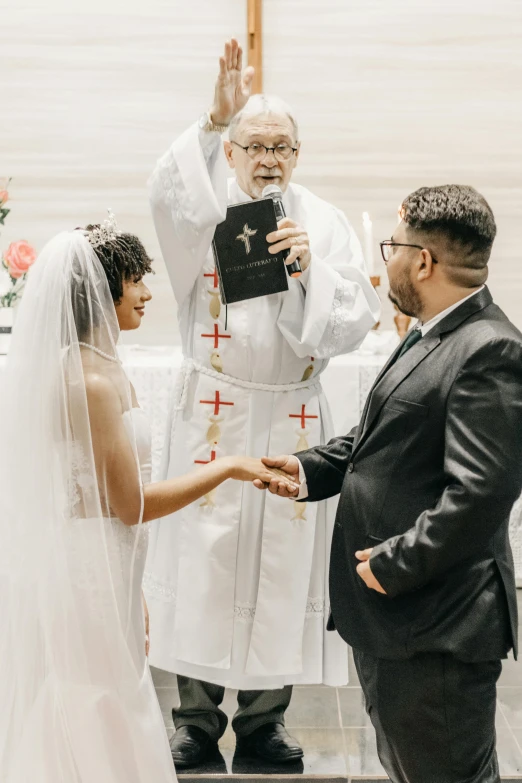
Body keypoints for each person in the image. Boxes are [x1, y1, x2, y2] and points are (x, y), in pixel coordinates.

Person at [144, 37, 380, 766]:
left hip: (290, 408)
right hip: (212, 411)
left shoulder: (324, 219)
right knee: (202, 559)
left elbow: (353, 318)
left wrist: (309, 270)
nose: (268, 157)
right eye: (254, 143)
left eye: (282, 145)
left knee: (283, 563)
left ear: (298, 154)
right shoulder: (207, 209)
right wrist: (211, 122)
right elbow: (167, 197)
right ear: (236, 150)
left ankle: (264, 721)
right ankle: (194, 718)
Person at [0, 215, 293, 783]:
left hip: (110, 561)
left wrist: (134, 587)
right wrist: (228, 466)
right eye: (136, 280)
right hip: (87, 567)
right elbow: (129, 505)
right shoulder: (88, 383)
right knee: (93, 698)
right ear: (103, 289)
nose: (147, 293)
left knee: (105, 691)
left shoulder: (105, 367)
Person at [258, 184, 522, 783]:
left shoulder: (491, 349)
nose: (387, 261)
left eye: (392, 247)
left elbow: (479, 495)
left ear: (422, 261)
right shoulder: (432, 330)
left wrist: (392, 566)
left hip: (435, 626)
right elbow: (381, 436)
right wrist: (305, 469)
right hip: (400, 622)